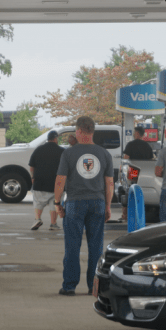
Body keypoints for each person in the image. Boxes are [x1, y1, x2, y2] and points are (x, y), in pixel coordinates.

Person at [53, 116, 113, 296]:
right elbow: (109, 183)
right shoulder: (104, 154)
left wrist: (57, 203)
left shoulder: (68, 154)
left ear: (79, 131)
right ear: (92, 131)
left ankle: (70, 285)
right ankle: (93, 286)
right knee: (96, 246)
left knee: (72, 245)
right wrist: (108, 206)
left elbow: (60, 180)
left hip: (75, 202)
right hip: (98, 202)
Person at [28, 130, 64, 231]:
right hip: (57, 184)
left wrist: (33, 177)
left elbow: (32, 166)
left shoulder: (38, 149)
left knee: (38, 202)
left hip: (40, 182)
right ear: (56, 139)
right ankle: (53, 224)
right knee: (55, 203)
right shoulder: (62, 151)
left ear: (48, 139)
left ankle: (37, 219)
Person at [121, 126, 154, 221]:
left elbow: (126, 158)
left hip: (133, 170)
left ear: (137, 133)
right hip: (144, 172)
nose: (133, 134)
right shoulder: (148, 146)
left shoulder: (131, 144)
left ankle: (126, 215)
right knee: (141, 191)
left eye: (134, 132)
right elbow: (151, 159)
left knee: (129, 190)